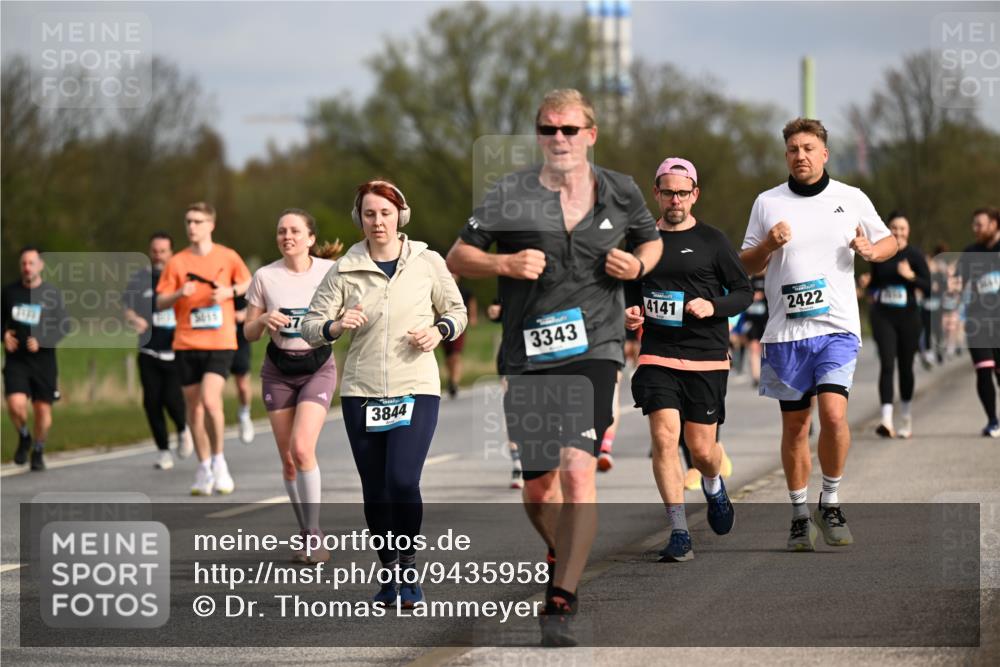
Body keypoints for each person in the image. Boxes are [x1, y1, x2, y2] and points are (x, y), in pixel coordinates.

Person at [446, 89, 662, 646]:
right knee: (540, 490)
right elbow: (457, 256)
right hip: (526, 354)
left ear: (590, 134)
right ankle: (559, 547)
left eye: (569, 129)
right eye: (548, 130)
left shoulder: (620, 190)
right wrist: (503, 261)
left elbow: (651, 241)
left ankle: (561, 598)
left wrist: (637, 262)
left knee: (577, 468)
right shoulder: (510, 192)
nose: (559, 139)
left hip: (595, 348)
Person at [303, 180, 467, 608]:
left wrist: (438, 330)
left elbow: (457, 311)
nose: (379, 221)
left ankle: (409, 567)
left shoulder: (428, 261)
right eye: (370, 214)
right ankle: (389, 573)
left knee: (402, 480)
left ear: (401, 216)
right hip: (362, 392)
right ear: (360, 219)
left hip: (416, 386)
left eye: (386, 213)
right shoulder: (344, 269)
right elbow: (310, 325)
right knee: (375, 489)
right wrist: (336, 326)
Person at [740, 118, 896, 552]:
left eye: (808, 148)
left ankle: (830, 501)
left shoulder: (851, 197)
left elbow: (888, 243)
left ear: (824, 153)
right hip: (786, 334)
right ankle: (798, 514)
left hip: (837, 328)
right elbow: (747, 264)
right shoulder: (768, 202)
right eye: (793, 149)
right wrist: (769, 245)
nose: (800, 155)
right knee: (796, 427)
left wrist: (871, 250)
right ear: (786, 155)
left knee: (832, 415)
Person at [624, 157, 751, 562]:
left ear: (694, 195)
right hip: (658, 354)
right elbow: (626, 294)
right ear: (656, 194)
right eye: (668, 192)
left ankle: (713, 485)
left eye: (682, 192)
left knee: (702, 451)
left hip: (706, 357)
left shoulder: (713, 241)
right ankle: (679, 530)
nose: (675, 199)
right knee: (663, 439)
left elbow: (743, 293)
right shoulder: (640, 243)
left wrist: (712, 306)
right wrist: (629, 314)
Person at [245, 209, 342, 563]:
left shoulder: (329, 272)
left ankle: (315, 533)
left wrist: (343, 321)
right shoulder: (265, 277)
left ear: (311, 239)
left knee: (302, 449)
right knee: (288, 461)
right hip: (278, 371)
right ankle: (305, 531)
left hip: (317, 367)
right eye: (281, 231)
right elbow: (247, 331)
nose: (287, 236)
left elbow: (349, 310)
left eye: (295, 231)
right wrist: (264, 320)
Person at [156, 202, 252, 496]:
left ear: (211, 224)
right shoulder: (177, 262)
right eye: (188, 221)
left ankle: (220, 462)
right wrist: (177, 294)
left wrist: (229, 292)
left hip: (220, 342)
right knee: (194, 411)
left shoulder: (228, 256)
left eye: (198, 221)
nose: (192, 226)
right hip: (186, 343)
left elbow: (248, 282)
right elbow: (159, 302)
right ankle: (204, 466)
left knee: (211, 402)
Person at [124, 232, 193, 470]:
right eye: (154, 251)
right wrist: (135, 320)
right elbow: (126, 307)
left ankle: (183, 429)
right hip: (148, 351)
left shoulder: (181, 278)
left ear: (171, 252)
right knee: (152, 402)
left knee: (172, 400)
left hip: (176, 350)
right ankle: (163, 451)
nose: (158, 255)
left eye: (163, 251)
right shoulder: (139, 280)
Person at [859, 212, 930, 439]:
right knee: (887, 364)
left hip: (909, 317)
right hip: (883, 316)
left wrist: (910, 276)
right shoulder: (881, 253)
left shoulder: (915, 255)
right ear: (887, 229)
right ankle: (886, 420)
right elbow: (874, 287)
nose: (898, 232)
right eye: (894, 228)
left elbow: (928, 287)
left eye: (902, 228)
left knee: (906, 367)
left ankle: (906, 417)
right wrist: (867, 285)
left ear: (908, 231)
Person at [3, 246, 67, 471]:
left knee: (42, 411)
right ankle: (24, 436)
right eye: (24, 264)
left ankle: (38, 449)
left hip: (44, 362)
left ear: (40, 266)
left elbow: (64, 326)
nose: (27, 268)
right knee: (15, 405)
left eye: (31, 263)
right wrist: (4, 335)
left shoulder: (51, 294)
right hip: (16, 361)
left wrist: (43, 340)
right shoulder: (9, 293)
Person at [954, 207, 1000, 436]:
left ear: (994, 224)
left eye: (980, 224)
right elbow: (958, 284)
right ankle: (993, 421)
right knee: (984, 371)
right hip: (978, 321)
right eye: (974, 225)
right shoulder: (970, 252)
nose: (976, 229)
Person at [442, 275, 478, 398]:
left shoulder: (464, 291)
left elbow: (472, 302)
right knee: (448, 357)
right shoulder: (441, 291)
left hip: (459, 327)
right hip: (442, 327)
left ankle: (454, 383)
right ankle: (451, 378)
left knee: (456, 355)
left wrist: (473, 317)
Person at [230, 294, 255, 444]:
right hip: (216, 342)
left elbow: (259, 306)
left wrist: (244, 314)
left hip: (239, 340)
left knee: (243, 386)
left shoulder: (240, 280)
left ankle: (244, 414)